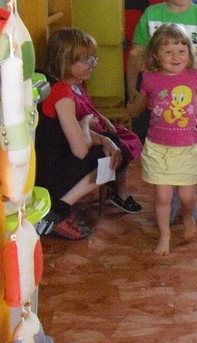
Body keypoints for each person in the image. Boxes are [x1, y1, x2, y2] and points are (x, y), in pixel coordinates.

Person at [126, 0, 197, 221]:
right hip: (156, 98)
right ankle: (165, 197)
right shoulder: (152, 14)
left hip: (190, 98)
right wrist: (133, 89)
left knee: (192, 146)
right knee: (159, 145)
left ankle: (188, 195)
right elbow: (136, 55)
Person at [35, 29, 141, 239]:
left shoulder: (47, 81)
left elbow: (62, 131)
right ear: (66, 60)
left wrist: (104, 139)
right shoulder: (62, 92)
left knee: (113, 143)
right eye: (87, 59)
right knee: (111, 157)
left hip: (41, 166)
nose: (94, 64)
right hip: (49, 173)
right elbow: (81, 150)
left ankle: (57, 207)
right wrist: (85, 124)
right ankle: (58, 210)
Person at [128, 24, 197, 256]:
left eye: (181, 51)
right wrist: (132, 109)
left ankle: (187, 216)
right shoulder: (150, 79)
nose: (176, 57)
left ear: (190, 53)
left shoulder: (194, 76)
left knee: (186, 196)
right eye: (169, 52)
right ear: (156, 55)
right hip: (157, 148)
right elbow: (141, 105)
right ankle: (165, 235)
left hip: (187, 148)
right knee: (163, 196)